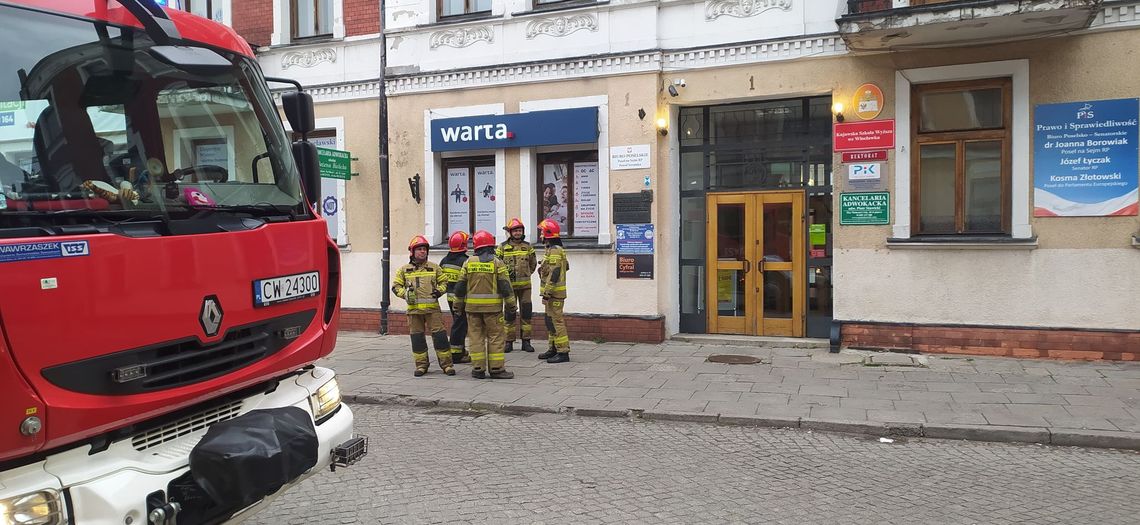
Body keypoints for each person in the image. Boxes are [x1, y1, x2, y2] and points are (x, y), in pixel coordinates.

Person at [454, 230, 514, 379]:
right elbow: (505, 286)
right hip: (493, 310)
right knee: (496, 337)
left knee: (476, 338)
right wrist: (511, 305)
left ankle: (478, 368)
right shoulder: (497, 263)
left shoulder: (468, 263)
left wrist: (457, 306)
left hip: (472, 309)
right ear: (491, 246)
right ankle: (496, 369)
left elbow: (460, 287)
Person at [392, 235, 454, 377]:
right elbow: (396, 286)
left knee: (440, 338)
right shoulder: (404, 270)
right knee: (417, 339)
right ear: (412, 252)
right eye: (419, 249)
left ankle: (447, 365)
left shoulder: (434, 267)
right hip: (414, 312)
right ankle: (421, 366)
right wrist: (405, 294)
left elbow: (444, 282)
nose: (422, 252)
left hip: (433, 311)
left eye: (424, 249)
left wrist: (439, 291)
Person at [496, 218, 538, 353]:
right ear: (510, 232)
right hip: (509, 288)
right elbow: (497, 265)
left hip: (525, 287)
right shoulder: (502, 247)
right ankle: (509, 342)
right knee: (509, 315)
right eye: (515, 230)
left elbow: (533, 264)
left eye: (520, 230)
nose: (518, 233)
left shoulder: (528, 246)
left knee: (526, 314)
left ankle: (526, 341)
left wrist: (526, 274)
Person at [536, 219, 570, 363]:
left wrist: (547, 292)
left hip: (554, 294)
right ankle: (553, 348)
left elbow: (555, 273)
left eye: (542, 232)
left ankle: (563, 352)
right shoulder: (551, 249)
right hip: (551, 294)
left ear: (547, 233)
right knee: (549, 321)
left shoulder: (555, 250)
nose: (540, 235)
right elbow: (565, 266)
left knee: (556, 321)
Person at [440, 231, 472, 364]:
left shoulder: (444, 261)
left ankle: (459, 350)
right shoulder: (465, 261)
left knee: (457, 323)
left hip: (450, 298)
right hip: (462, 300)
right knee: (460, 326)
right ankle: (456, 354)